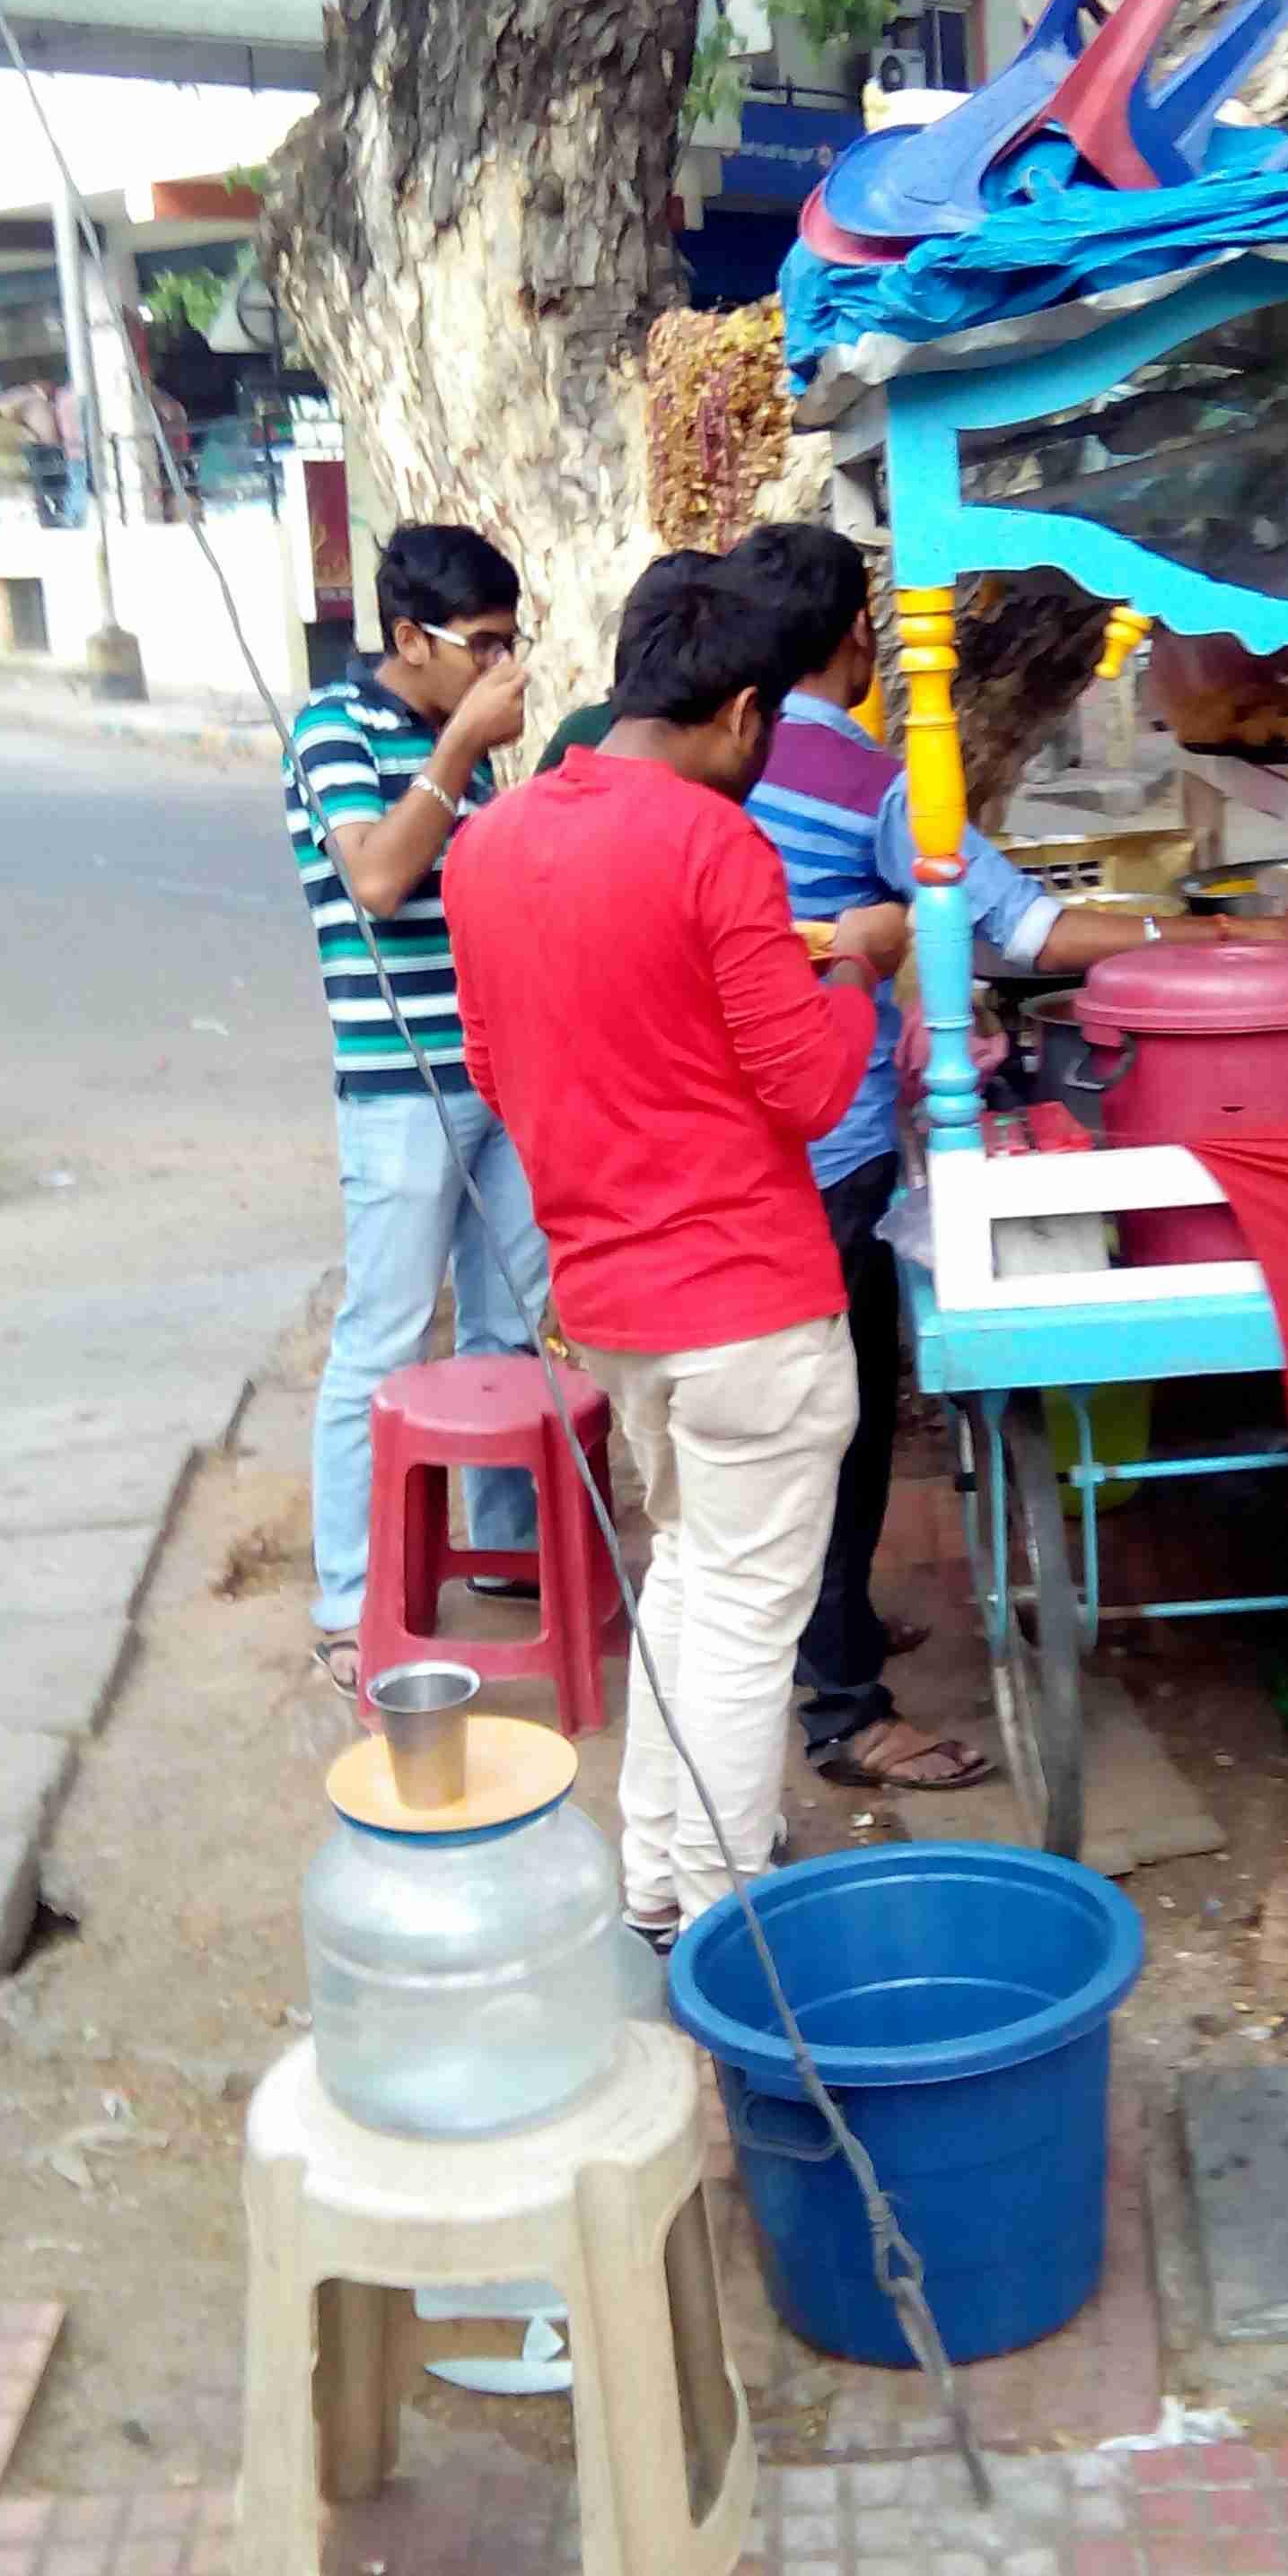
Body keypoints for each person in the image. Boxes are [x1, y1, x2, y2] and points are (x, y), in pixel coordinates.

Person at [728, 519, 1274, 1792]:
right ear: (855, 639)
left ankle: (834, 1633)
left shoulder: (721, 762)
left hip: (746, 1138)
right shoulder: (869, 778)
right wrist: (1197, 937)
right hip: (834, 1141)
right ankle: (845, 1711)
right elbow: (1026, 932)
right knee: (841, 1427)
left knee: (798, 1419)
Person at [442, 553, 905, 1935]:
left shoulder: (491, 843)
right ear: (745, 711)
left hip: (612, 1305)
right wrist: (857, 967)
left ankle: (657, 1890)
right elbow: (808, 1088)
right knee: (746, 1627)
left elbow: (496, 1065)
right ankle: (723, 1919)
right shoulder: (714, 845)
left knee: (696, 1593)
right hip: (749, 1306)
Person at [286, 522, 548, 1697]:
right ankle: (349, 1600)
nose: (504, 666)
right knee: (384, 1338)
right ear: (410, 638)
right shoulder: (331, 729)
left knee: (508, 1326)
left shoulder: (465, 751)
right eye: (483, 644)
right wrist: (459, 747)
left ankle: (501, 1548)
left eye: (510, 641)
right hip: (399, 1088)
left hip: (498, 1075)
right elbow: (380, 878)